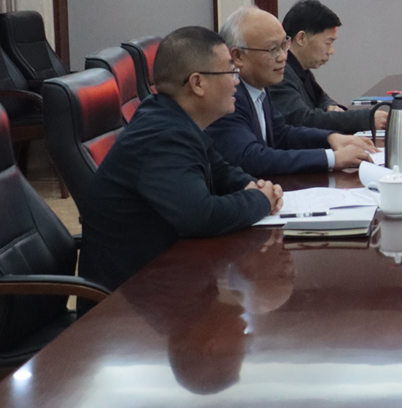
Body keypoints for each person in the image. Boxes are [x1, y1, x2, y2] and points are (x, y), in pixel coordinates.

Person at [80, 26, 282, 292]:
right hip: (129, 300)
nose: (237, 81)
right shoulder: (163, 136)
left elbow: (220, 169)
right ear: (197, 83)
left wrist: (248, 184)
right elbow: (201, 216)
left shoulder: (172, 118)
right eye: (230, 71)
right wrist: (260, 199)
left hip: (162, 282)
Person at [208, 6, 375, 177]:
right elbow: (252, 158)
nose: (283, 57)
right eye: (273, 49)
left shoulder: (258, 87)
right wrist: (331, 158)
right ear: (238, 56)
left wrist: (331, 138)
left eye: (284, 46)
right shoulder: (227, 97)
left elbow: (282, 134)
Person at [272, 0, 388, 136]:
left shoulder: (300, 69)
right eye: (328, 43)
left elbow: (322, 99)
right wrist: (367, 119)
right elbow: (303, 120)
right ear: (301, 38)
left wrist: (331, 107)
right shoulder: (280, 72)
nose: (332, 51)